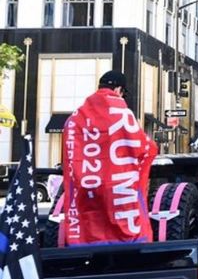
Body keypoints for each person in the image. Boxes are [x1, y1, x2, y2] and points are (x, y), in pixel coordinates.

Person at [62, 70, 158, 245]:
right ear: (119, 89)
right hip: (118, 188)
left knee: (91, 223)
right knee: (120, 223)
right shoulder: (122, 113)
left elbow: (71, 154)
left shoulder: (75, 117)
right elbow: (143, 147)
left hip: (85, 187)